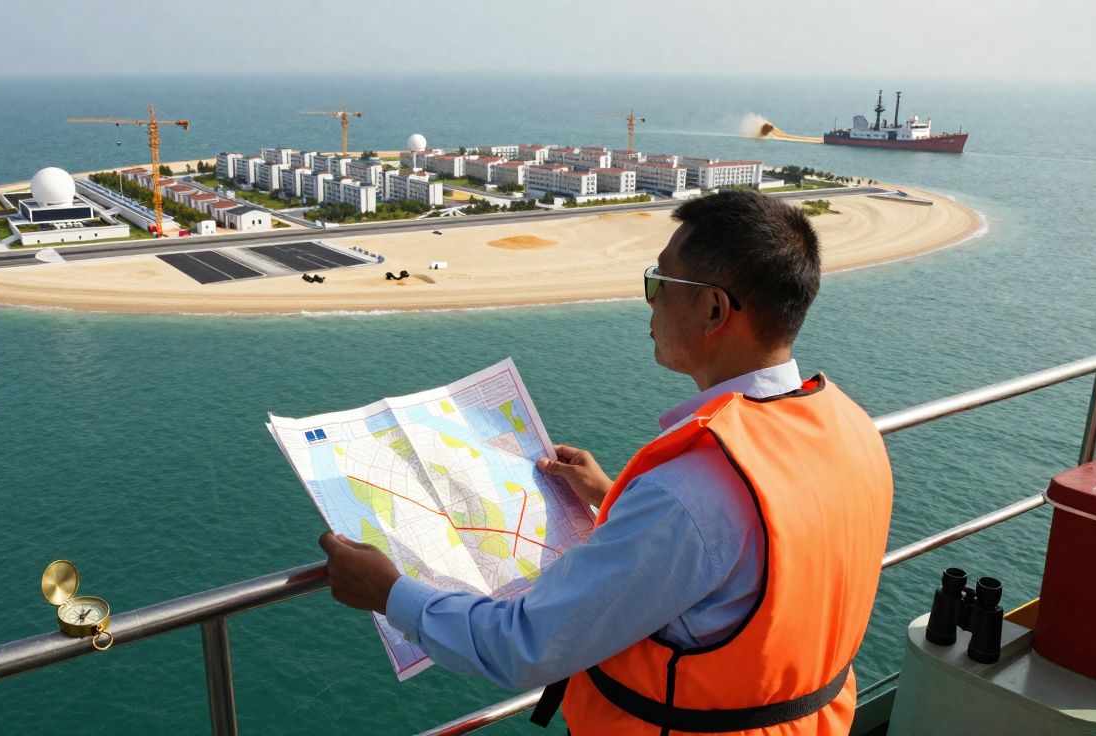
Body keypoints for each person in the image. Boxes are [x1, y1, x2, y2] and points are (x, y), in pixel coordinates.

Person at [320, 189, 894, 735]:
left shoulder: (687, 497)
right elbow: (762, 545)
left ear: (715, 309)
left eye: (659, 281)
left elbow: (521, 646)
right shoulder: (848, 425)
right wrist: (611, 493)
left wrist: (389, 592)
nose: (649, 299)